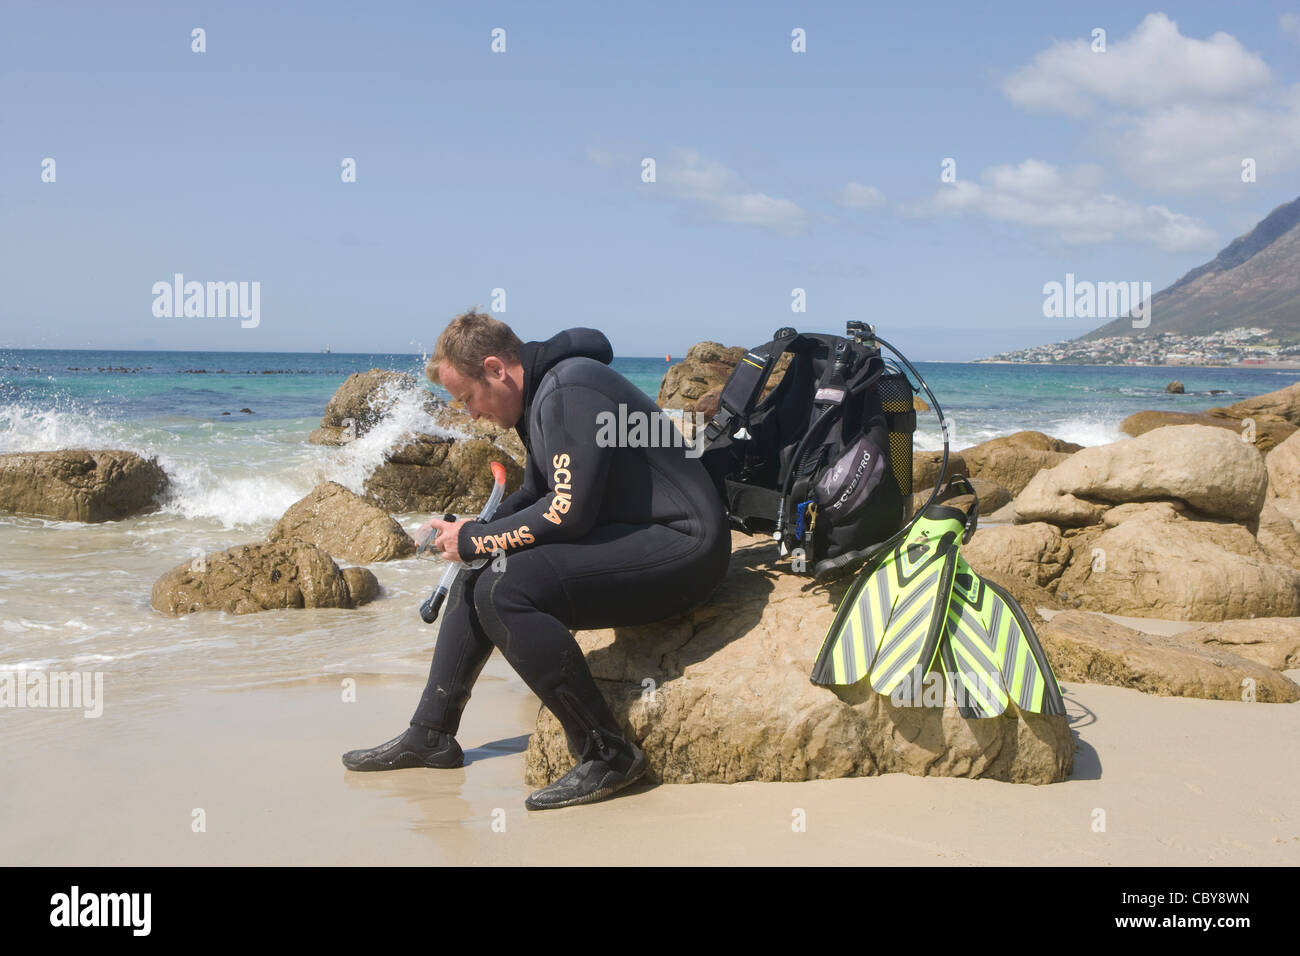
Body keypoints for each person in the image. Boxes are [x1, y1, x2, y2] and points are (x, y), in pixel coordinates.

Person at [342, 310, 731, 810]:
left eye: (467, 398)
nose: (470, 415)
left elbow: (568, 513)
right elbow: (537, 490)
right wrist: (473, 533)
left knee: (505, 589)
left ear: (496, 369)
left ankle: (609, 754)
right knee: (482, 563)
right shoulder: (546, 391)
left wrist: (480, 541)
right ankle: (431, 733)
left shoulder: (569, 391)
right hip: (637, 532)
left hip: (686, 546)